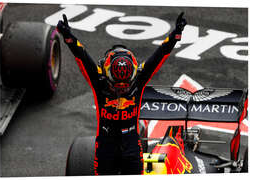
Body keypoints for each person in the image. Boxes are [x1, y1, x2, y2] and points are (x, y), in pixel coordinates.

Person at [56, 12, 187, 175]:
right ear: (106, 75)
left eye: (125, 86)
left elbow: (159, 55)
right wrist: (68, 38)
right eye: (117, 86)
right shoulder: (98, 82)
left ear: (133, 76)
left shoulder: (139, 79)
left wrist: (175, 36)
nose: (121, 90)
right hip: (105, 147)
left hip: (132, 144)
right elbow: (82, 57)